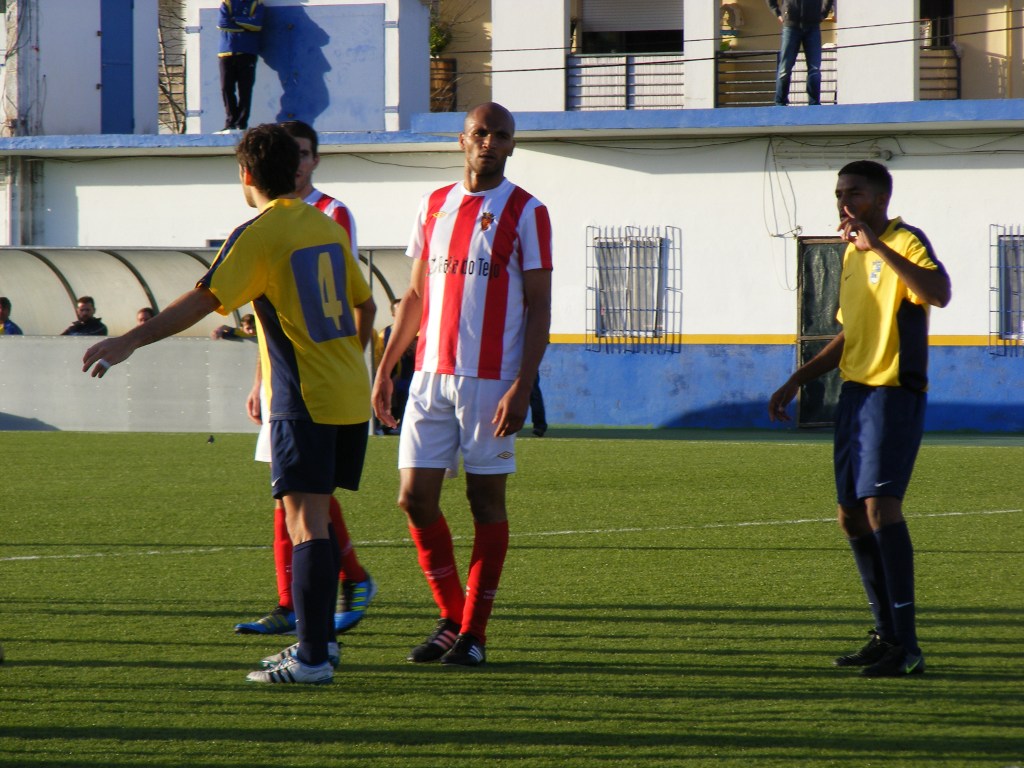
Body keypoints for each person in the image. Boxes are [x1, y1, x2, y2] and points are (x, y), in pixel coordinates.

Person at [82, 124, 376, 685]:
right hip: (346, 391)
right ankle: (320, 646)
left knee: (305, 524)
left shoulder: (258, 233)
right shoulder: (325, 225)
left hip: (304, 397)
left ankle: (313, 659)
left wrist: (129, 340)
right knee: (314, 519)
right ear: (295, 168)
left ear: (245, 175)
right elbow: (365, 307)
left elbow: (204, 300)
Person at [372, 102, 552, 667]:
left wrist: (522, 386)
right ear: (462, 140)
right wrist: (386, 367)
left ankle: (474, 633)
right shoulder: (434, 205)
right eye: (480, 133)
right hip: (429, 376)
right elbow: (415, 295)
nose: (489, 142)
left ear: (512, 145)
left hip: (491, 381)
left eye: (501, 135)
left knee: (484, 501)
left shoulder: (528, 211)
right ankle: (453, 618)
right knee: (413, 498)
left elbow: (540, 307)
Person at [768, 160, 951, 677]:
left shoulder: (906, 241)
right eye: (839, 193)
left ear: (881, 198)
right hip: (855, 395)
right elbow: (850, 333)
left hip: (893, 393)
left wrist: (881, 249)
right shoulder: (851, 253)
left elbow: (938, 293)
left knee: (880, 507)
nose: (844, 202)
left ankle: (907, 647)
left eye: (855, 193)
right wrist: (798, 378)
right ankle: (884, 633)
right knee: (849, 515)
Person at [232, 118, 376, 637]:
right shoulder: (266, 220)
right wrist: (259, 379)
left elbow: (347, 301)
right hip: (285, 378)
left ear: (314, 160)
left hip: (315, 382)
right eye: (290, 152)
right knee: (288, 494)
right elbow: (271, 308)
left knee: (305, 498)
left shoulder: (330, 215)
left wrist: (345, 358)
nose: (296, 161)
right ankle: (293, 604)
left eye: (304, 153)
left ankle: (338, 588)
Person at [767, 0, 834, 106]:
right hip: (790, 25)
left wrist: (823, 12)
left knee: (814, 69)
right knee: (785, 68)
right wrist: (777, 12)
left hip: (812, 26)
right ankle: (780, 104)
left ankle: (814, 104)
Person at [217, 0, 264, 133]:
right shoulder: (227, 3)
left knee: (245, 89)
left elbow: (256, 24)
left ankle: (241, 123)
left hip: (247, 52)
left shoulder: (256, 3)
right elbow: (222, 23)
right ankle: (231, 121)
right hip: (226, 52)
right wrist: (246, 25)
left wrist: (235, 20)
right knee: (226, 88)